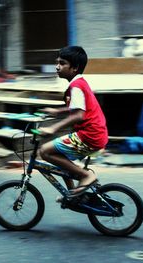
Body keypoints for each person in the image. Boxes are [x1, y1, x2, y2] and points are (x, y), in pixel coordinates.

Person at [38, 46, 108, 197]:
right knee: (61, 158)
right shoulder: (80, 83)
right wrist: (57, 111)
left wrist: (53, 128)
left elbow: (78, 115)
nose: (57, 66)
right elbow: (78, 107)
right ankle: (71, 195)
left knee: (44, 151)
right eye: (57, 62)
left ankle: (86, 176)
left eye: (62, 63)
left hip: (89, 135)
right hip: (95, 134)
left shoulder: (76, 86)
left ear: (74, 68)